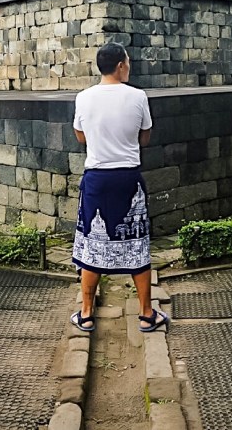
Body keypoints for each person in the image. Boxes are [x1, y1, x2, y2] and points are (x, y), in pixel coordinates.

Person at [70, 41, 168, 333]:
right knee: (137, 244)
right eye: (128, 62)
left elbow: (80, 136)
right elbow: (145, 137)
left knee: (93, 246)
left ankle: (86, 313)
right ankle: (146, 313)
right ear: (121, 65)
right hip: (127, 178)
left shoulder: (84, 98)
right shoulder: (138, 96)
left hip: (97, 179)